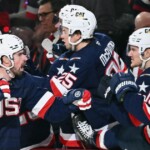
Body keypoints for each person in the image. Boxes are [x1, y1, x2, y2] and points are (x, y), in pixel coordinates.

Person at [46, 4, 127, 148]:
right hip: (120, 108)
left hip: (101, 122)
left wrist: (57, 63)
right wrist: (66, 56)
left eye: (64, 31)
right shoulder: (103, 38)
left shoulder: (82, 65)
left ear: (78, 35)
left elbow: (54, 91)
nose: (61, 35)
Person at [0, 33, 91, 149]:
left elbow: (52, 111)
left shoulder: (23, 81)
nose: (26, 58)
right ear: (5, 60)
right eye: (20, 54)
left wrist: (71, 100)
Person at [74, 27, 150, 150]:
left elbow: (134, 119)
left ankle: (94, 139)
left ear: (147, 52)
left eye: (133, 49)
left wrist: (116, 96)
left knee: (123, 135)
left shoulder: (146, 79)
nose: (129, 53)